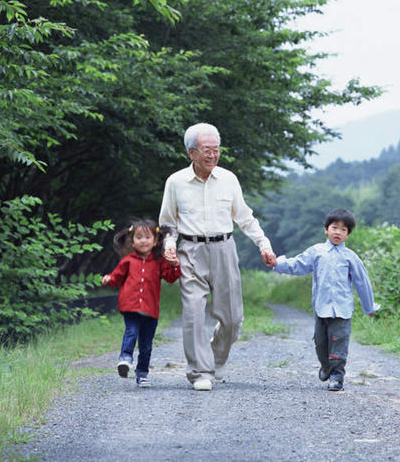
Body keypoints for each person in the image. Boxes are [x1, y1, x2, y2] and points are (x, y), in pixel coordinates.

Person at [159, 123, 276, 391]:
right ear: (191, 153)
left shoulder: (228, 179)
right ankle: (199, 372)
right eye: (206, 150)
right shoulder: (175, 182)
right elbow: (167, 222)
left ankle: (216, 358)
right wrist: (169, 244)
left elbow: (245, 217)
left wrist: (263, 244)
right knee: (193, 314)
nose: (212, 155)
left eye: (216, 149)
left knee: (232, 318)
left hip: (224, 248)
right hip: (190, 251)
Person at [270, 208, 379, 391]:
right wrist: (277, 264)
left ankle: (337, 376)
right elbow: (298, 264)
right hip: (321, 308)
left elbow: (362, 282)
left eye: (343, 229)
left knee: (339, 342)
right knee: (321, 344)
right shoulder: (317, 252)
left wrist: (369, 307)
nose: (338, 232)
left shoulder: (350, 257)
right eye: (334, 227)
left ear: (348, 234)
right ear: (326, 229)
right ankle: (326, 366)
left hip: (342, 310)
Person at [102, 219, 181, 388]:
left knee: (146, 345)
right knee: (131, 332)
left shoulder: (159, 262)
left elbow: (170, 278)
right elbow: (117, 278)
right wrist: (109, 279)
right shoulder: (128, 261)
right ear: (132, 242)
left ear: (155, 241)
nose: (143, 241)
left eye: (147, 237)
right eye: (138, 237)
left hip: (150, 310)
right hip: (130, 307)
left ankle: (142, 373)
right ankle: (125, 359)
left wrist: (175, 265)